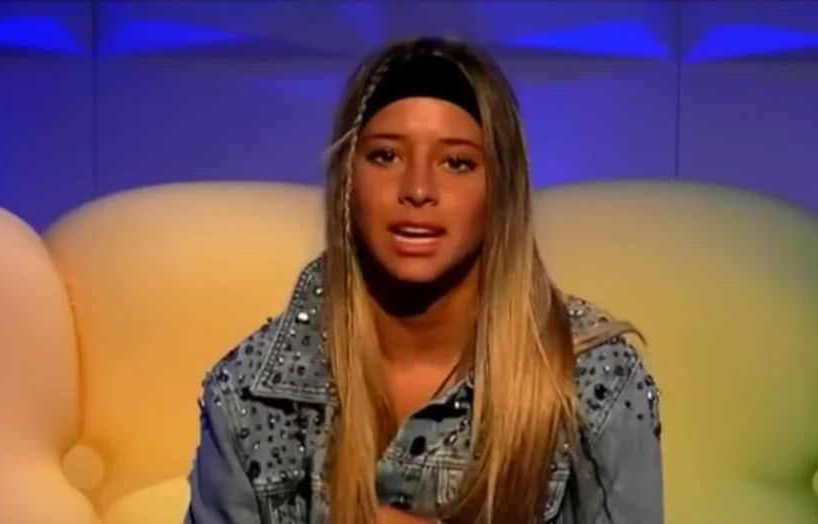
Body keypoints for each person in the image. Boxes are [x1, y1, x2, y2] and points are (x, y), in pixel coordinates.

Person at [184, 36, 663, 524]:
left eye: (456, 163)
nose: (417, 190)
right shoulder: (248, 393)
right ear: (348, 179)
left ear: (501, 188)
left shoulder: (592, 379)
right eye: (386, 156)